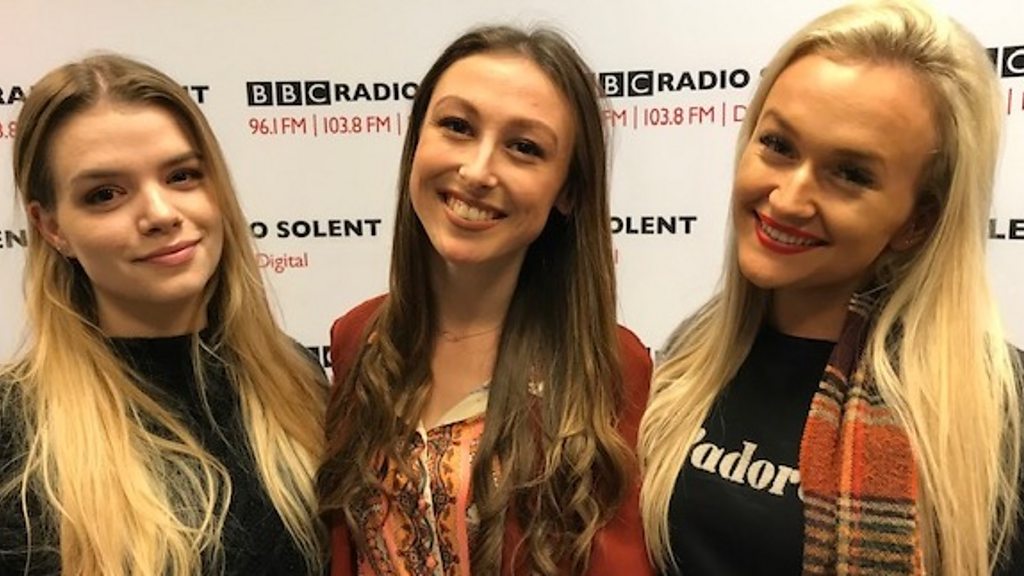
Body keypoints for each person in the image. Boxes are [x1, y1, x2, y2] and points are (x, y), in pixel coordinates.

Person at [638, 1, 1024, 575]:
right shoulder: (689, 356)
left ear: (917, 221)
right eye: (778, 145)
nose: (789, 199)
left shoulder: (998, 409)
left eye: (850, 173)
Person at [317, 25, 653, 576]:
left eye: (524, 148)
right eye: (457, 126)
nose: (476, 171)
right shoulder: (359, 337)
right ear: (416, 141)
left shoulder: (609, 366)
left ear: (568, 190)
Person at [0, 55, 326, 576]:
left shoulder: (295, 380)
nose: (160, 213)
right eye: (105, 195)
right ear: (52, 228)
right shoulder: (15, 427)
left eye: (182, 176)